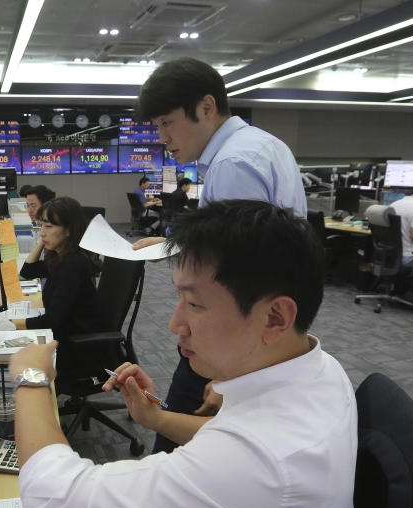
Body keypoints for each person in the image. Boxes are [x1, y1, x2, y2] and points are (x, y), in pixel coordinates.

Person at [9, 200, 359, 508]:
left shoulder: (265, 457)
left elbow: (53, 500)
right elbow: (232, 445)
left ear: (275, 317)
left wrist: (31, 377)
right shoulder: (316, 367)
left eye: (194, 303)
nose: (176, 323)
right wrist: (155, 419)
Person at [130, 57, 307, 453]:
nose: (163, 137)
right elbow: (247, 242)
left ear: (206, 108)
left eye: (166, 122)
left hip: (233, 337)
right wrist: (169, 246)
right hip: (260, 328)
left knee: (182, 456)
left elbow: (234, 273)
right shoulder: (262, 145)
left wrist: (228, 376)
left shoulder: (232, 164)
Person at [16, 196, 107, 371]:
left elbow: (51, 320)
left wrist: (11, 323)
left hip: (73, 348)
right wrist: (43, 241)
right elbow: (28, 272)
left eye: (49, 226)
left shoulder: (74, 263)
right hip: (64, 335)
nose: (42, 231)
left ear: (69, 230)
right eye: (41, 225)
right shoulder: (60, 256)